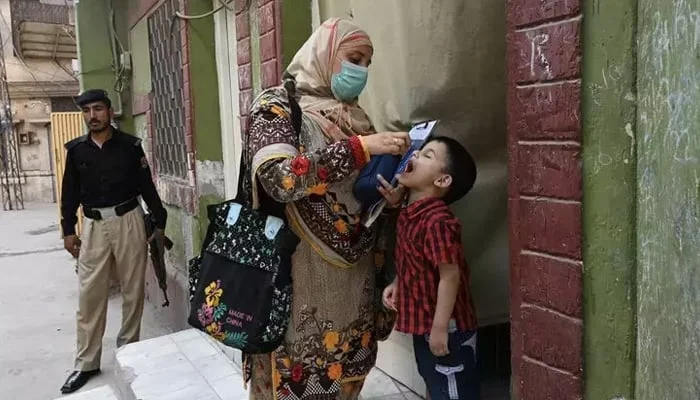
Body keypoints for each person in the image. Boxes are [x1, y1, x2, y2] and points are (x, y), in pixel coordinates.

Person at [244, 18, 410, 400]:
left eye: (368, 63)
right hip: (297, 287)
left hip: (355, 288)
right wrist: (363, 148)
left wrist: (389, 198)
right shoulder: (276, 108)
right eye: (354, 58)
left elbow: (360, 197)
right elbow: (279, 179)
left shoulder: (355, 118)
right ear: (324, 54)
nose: (362, 71)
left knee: (347, 384)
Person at [59, 89, 167, 394]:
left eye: (97, 109)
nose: (92, 116)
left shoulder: (130, 147)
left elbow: (147, 185)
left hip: (129, 220)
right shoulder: (76, 151)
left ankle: (127, 352)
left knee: (133, 290)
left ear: (110, 112)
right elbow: (69, 194)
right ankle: (86, 363)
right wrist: (68, 229)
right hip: (93, 226)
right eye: (86, 111)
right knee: (89, 295)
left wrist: (158, 221)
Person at [380, 136, 479, 400]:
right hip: (424, 325)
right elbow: (416, 260)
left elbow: (450, 275)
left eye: (427, 155)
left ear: (442, 181)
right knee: (436, 384)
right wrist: (398, 283)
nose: (413, 156)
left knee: (453, 389)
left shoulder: (437, 221)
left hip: (447, 330)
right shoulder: (411, 213)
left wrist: (439, 328)